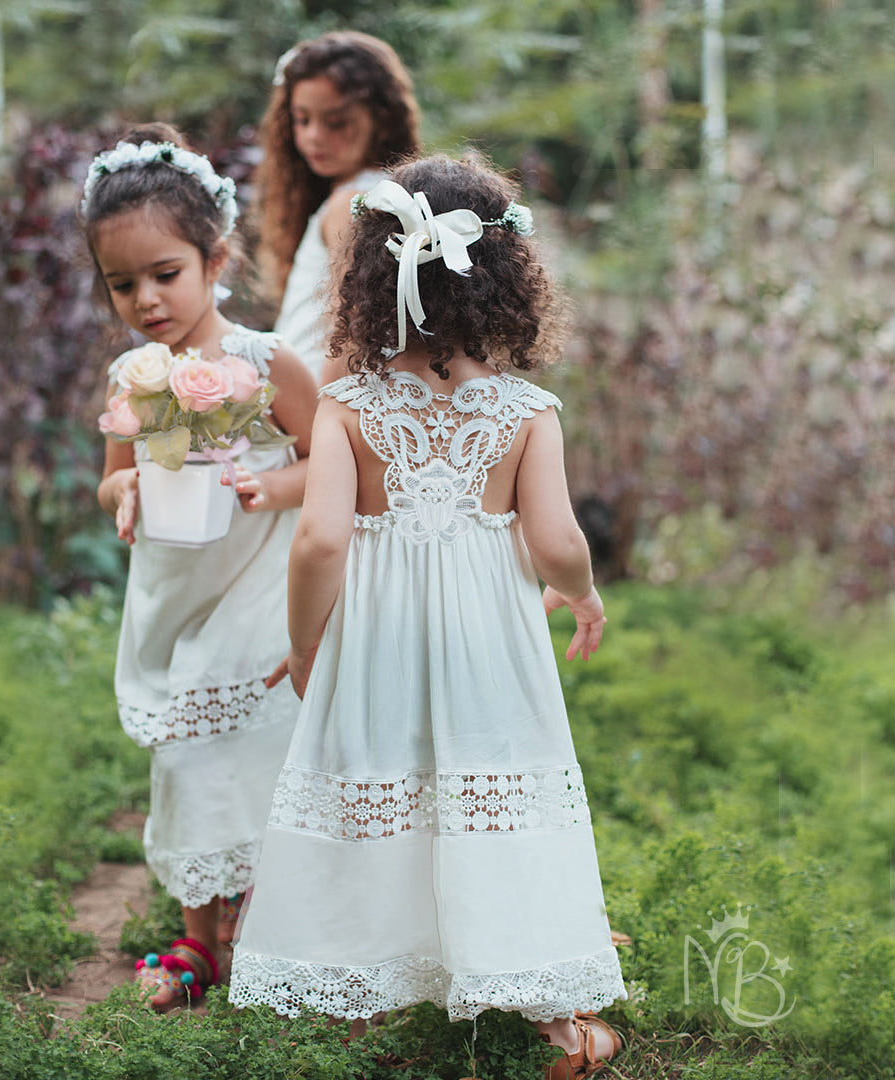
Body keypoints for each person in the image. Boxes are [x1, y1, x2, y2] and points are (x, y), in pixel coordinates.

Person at [229, 154, 627, 1079]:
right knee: (497, 802)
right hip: (491, 643)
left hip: (376, 641)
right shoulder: (527, 411)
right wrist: (582, 589)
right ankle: (562, 1026)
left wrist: (304, 642)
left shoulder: (348, 407)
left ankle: (364, 996)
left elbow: (320, 542)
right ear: (508, 284)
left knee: (379, 788)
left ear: (372, 282)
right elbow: (558, 540)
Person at [85, 122, 319, 1009]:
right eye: (122, 284)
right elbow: (111, 480)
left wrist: (273, 484)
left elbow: (328, 463)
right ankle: (198, 939)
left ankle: (265, 915)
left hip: (260, 586)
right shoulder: (134, 375)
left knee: (261, 744)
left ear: (215, 259)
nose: (146, 299)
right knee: (185, 753)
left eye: (165, 274)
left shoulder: (266, 364)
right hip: (176, 591)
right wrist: (131, 497)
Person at [256, 30, 420, 381]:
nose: (314, 135)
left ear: (381, 119)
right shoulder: (382, 193)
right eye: (302, 119)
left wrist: (325, 422)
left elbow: (351, 331)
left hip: (311, 401)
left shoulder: (352, 205)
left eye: (335, 122)